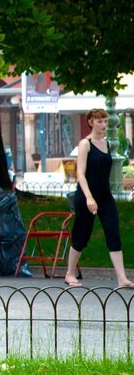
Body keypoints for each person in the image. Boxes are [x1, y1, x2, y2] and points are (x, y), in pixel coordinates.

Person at [64, 109, 134, 289]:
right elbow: (80, 173)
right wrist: (88, 198)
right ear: (90, 122)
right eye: (99, 121)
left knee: (113, 234)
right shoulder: (85, 144)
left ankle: (122, 278)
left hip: (105, 196)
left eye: (105, 121)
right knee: (82, 235)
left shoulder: (107, 144)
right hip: (86, 195)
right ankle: (70, 273)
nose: (104, 124)